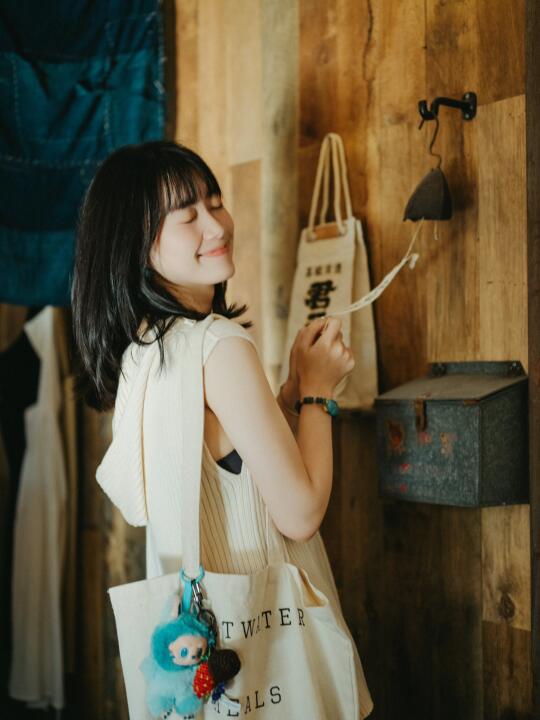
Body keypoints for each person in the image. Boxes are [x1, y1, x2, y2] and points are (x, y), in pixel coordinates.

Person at [70, 140, 373, 717]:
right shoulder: (219, 345)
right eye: (187, 216)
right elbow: (300, 513)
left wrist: (289, 397)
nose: (216, 225)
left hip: (202, 653)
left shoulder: (146, 349)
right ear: (138, 245)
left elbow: (228, 468)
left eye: (215, 202)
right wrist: (318, 392)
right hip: (267, 642)